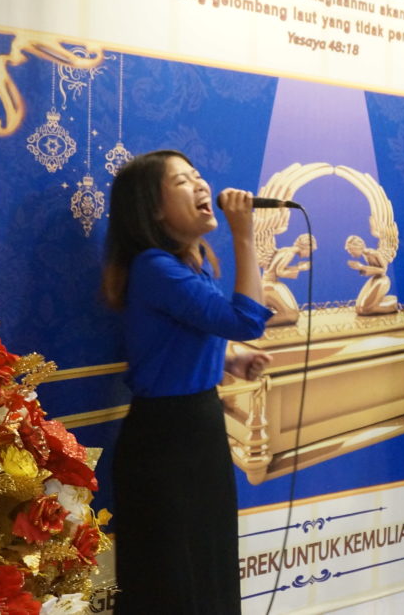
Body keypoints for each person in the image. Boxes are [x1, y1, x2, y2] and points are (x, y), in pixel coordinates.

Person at [101, 150, 272, 614]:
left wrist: (229, 359)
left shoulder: (190, 265)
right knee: (173, 584)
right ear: (154, 210)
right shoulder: (154, 266)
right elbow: (246, 320)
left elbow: (177, 340)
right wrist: (244, 234)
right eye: (182, 181)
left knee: (210, 567)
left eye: (198, 175)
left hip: (199, 427)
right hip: (166, 440)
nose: (201, 185)